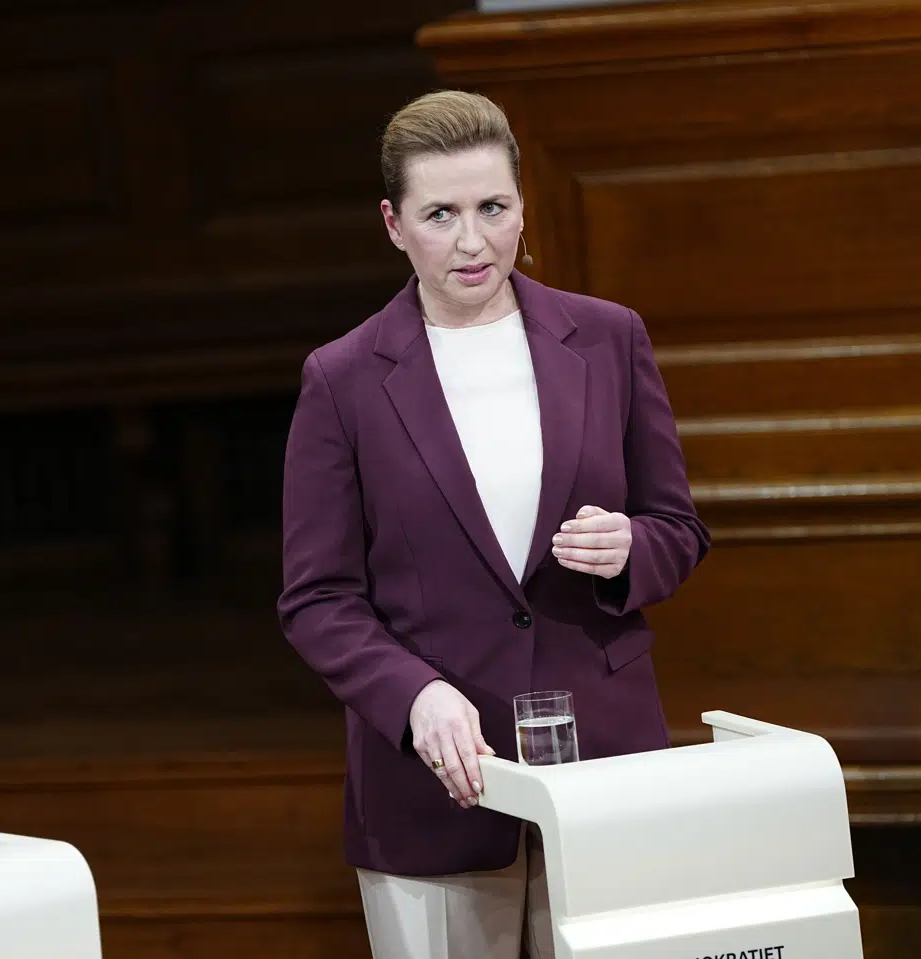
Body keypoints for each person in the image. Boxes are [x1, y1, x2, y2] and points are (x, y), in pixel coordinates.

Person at [277, 90, 710, 959]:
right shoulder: (344, 379)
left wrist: (630, 548)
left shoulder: (608, 338)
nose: (472, 241)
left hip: (604, 767)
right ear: (395, 225)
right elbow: (317, 597)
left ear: (522, 208)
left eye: (492, 208)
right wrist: (414, 695)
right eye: (441, 214)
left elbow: (677, 527)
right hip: (432, 782)